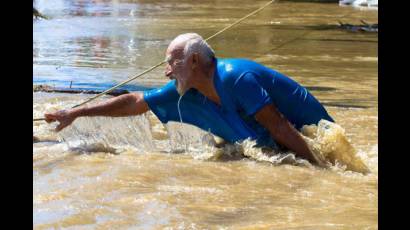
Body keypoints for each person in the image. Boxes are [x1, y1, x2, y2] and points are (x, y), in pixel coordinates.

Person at [45, 33, 334, 166]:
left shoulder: (236, 77)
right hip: (281, 145)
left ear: (194, 60)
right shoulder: (188, 89)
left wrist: (322, 170)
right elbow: (135, 102)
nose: (167, 71)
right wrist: (77, 113)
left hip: (311, 137)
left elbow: (281, 127)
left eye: (172, 62)